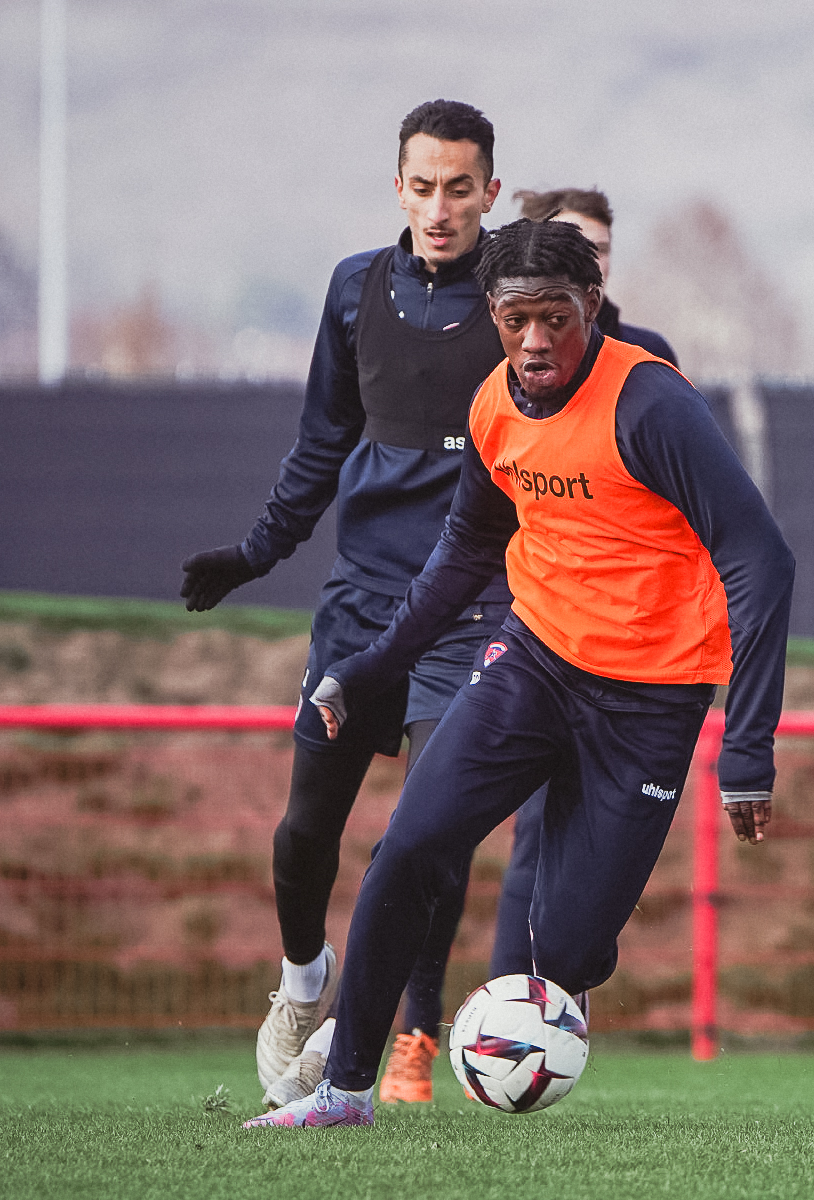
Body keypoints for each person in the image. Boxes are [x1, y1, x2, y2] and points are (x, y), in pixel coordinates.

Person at [244, 217, 793, 1129]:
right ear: (493, 316)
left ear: (591, 310)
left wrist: (748, 749)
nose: (535, 341)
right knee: (408, 849)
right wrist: (374, 665)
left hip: (652, 700)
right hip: (532, 664)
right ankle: (342, 1093)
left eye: (557, 318)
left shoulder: (649, 407)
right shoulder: (494, 406)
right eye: (515, 320)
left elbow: (761, 560)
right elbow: (463, 554)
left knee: (568, 947)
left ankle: (539, 1001)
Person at [178, 99, 509, 1110]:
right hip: (361, 603)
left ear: (491, 191)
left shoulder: (518, 293)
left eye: (461, 188)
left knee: (427, 831)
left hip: (472, 605)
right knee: (304, 830)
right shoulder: (354, 288)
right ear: (397, 186)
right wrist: (256, 552)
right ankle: (302, 979)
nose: (441, 206)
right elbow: (322, 440)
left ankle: (374, 1037)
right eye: (423, 186)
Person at [488, 186, 679, 980]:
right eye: (572, 239)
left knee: (587, 864)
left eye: (599, 244)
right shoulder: (510, 361)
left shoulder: (646, 364)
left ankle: (560, 991)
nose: (587, 251)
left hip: (633, 655)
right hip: (538, 631)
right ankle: (482, 1022)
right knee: (524, 835)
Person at [512, 186, 677, 366]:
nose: (590, 261)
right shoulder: (504, 350)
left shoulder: (650, 352)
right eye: (572, 247)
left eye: (600, 249)